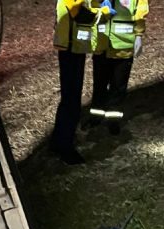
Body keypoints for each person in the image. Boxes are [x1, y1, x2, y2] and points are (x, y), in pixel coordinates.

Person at [51, 0, 116, 165]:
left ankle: (58, 142)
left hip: (74, 45)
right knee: (71, 99)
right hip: (70, 46)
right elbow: (80, 13)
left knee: (70, 97)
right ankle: (65, 147)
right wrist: (104, 12)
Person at [86, 0, 150, 135]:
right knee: (99, 84)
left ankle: (113, 120)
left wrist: (139, 34)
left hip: (123, 46)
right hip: (101, 44)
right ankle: (96, 117)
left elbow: (141, 10)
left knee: (118, 87)